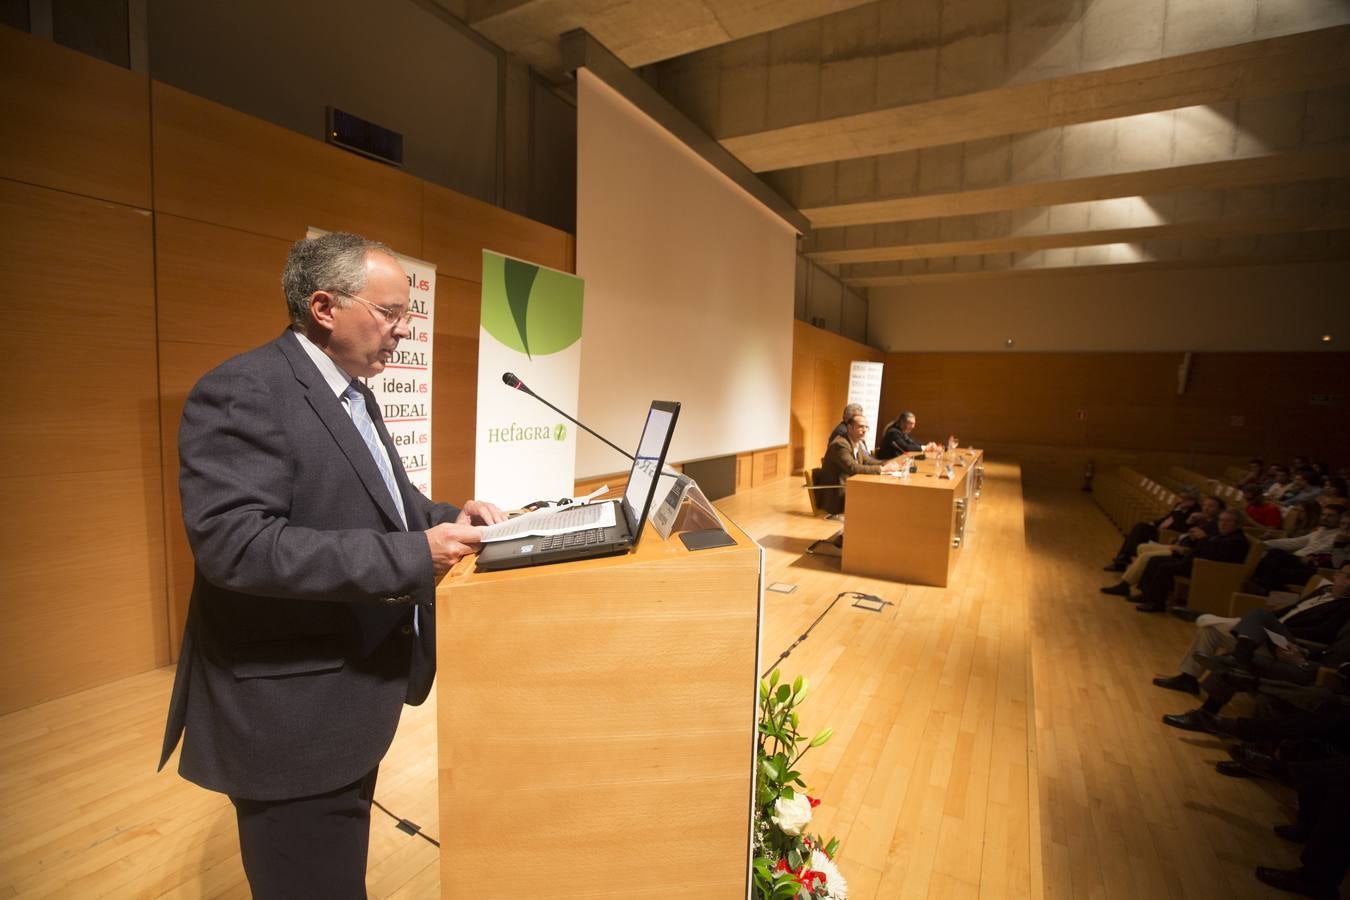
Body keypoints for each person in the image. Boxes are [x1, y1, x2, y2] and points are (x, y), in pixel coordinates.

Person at [158, 232, 507, 898]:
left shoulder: (353, 390)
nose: (403, 330)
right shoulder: (243, 389)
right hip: (288, 717)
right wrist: (413, 554)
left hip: (345, 700)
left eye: (408, 315)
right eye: (389, 313)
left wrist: (448, 518)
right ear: (323, 307)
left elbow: (387, 506)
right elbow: (236, 544)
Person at [1153, 561, 1350, 729]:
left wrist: (1277, 629)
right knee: (1212, 630)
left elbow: (1322, 634)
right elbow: (1293, 607)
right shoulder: (1323, 589)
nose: (1347, 582)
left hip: (1292, 642)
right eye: (1345, 576)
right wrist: (1271, 623)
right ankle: (1190, 677)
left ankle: (1234, 652)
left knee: (1258, 616)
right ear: (1336, 575)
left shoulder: (1345, 606)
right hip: (1271, 634)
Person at [1100, 495, 1224, 596]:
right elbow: (1186, 531)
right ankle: (1142, 580)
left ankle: (1125, 585)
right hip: (1178, 544)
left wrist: (1187, 543)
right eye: (1205, 505)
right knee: (1142, 547)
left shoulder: (1217, 524)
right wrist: (1189, 522)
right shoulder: (1201, 518)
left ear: (1220, 510)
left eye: (1211, 506)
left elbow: (1205, 544)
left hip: (1186, 552)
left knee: (1146, 556)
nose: (1206, 508)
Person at [1129, 508, 1249, 612]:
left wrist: (1203, 539)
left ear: (1238, 524)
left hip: (1208, 569)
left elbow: (1214, 555)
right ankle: (1146, 594)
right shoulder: (1223, 534)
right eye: (1221, 520)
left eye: (1228, 521)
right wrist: (1193, 540)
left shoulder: (1237, 540)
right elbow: (1205, 547)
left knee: (1165, 567)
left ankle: (1156, 603)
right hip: (1195, 562)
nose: (1223, 524)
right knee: (1155, 560)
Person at [818, 413, 900, 513]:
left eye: (866, 427)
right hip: (837, 493)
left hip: (851, 487)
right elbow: (853, 468)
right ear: (849, 428)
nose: (864, 430)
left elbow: (868, 461)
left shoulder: (856, 441)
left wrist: (888, 463)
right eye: (861, 426)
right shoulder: (840, 444)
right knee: (875, 499)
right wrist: (882, 469)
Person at [1103, 488, 1201, 572]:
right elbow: (1167, 517)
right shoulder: (1179, 505)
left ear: (1192, 500)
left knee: (1138, 530)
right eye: (1181, 497)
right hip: (1159, 530)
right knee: (1137, 530)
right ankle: (1123, 559)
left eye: (1185, 498)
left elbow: (1180, 527)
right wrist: (1154, 523)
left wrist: (1181, 511)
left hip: (1168, 536)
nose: (1181, 500)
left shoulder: (1195, 511)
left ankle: (1122, 560)